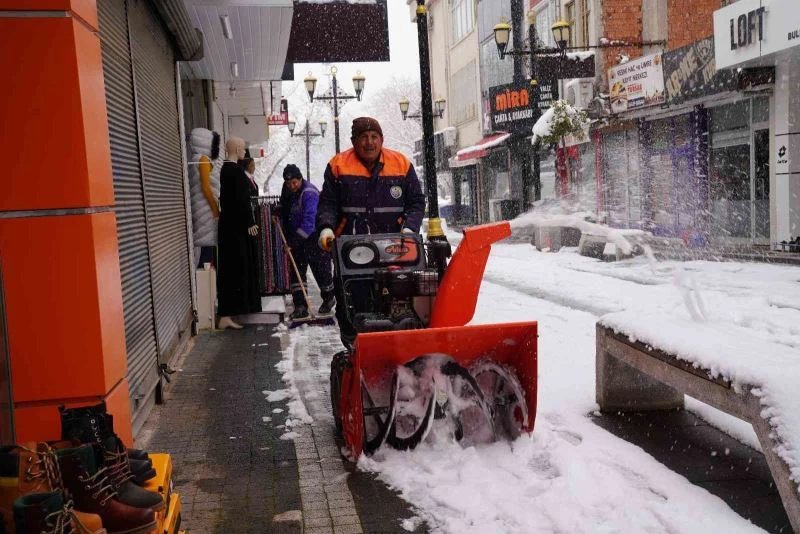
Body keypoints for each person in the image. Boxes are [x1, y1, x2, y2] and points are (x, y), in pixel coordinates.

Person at [316, 116, 426, 348]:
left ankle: (398, 343)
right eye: (364, 137)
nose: (369, 142)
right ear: (354, 141)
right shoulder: (338, 166)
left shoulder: (401, 164)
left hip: (395, 249)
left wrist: (409, 228)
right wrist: (326, 228)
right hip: (352, 252)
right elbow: (328, 203)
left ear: (381, 139)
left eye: (374, 137)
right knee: (351, 302)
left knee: (398, 298)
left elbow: (416, 201)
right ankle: (353, 346)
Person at [278, 164, 335, 321]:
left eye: (294, 182)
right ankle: (300, 306)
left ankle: (329, 297)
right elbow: (285, 205)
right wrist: (278, 211)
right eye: (289, 184)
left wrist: (294, 241)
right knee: (297, 273)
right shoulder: (288, 189)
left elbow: (309, 222)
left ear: (300, 178)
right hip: (296, 237)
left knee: (320, 270)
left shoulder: (309, 193)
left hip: (312, 237)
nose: (292, 186)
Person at [216, 137, 262, 329]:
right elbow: (239, 200)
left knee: (233, 269)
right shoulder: (232, 171)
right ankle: (226, 313)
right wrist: (249, 221)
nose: (244, 151)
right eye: (243, 147)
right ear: (235, 148)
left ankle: (229, 312)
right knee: (234, 268)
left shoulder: (230, 170)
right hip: (235, 230)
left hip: (233, 228)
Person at [187, 128, 221, 267]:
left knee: (203, 251)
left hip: (200, 208)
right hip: (206, 212)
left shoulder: (195, 159)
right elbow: (206, 187)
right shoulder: (203, 160)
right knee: (206, 256)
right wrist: (214, 209)